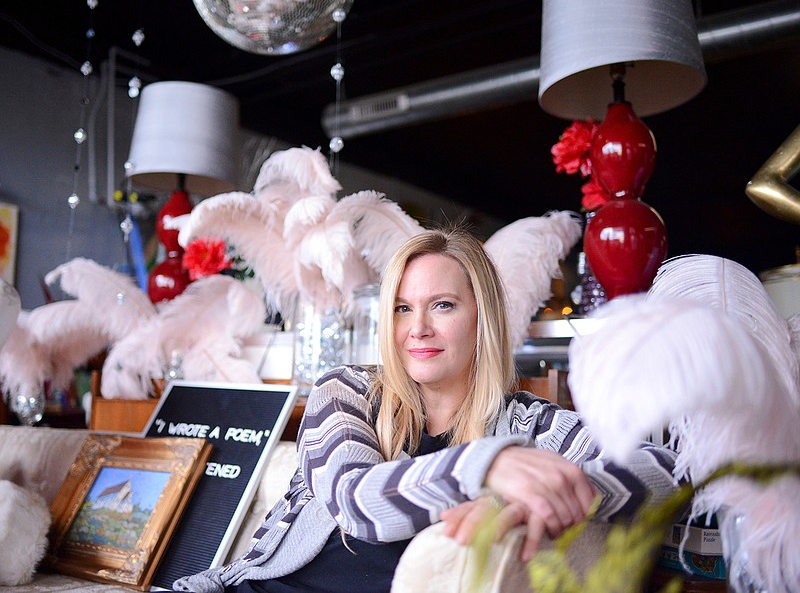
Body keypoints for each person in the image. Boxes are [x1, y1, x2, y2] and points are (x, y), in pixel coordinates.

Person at [174, 227, 678, 593]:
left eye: (442, 305)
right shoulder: (347, 392)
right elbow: (357, 503)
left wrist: (555, 492)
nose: (417, 328)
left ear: (482, 318)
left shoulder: (526, 423)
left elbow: (662, 470)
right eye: (402, 308)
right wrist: (490, 468)